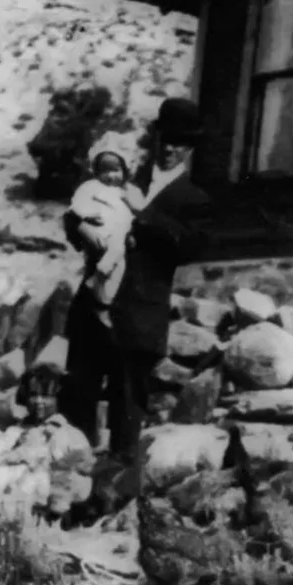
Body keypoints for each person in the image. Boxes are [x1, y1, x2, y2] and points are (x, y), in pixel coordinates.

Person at [59, 96, 210, 497]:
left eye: (180, 142)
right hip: (93, 309)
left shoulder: (193, 198)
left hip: (139, 319)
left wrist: (144, 215)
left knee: (127, 419)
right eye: (165, 137)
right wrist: (79, 230)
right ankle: (66, 495)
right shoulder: (125, 174)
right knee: (77, 403)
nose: (169, 147)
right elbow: (80, 204)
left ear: (190, 147)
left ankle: (110, 504)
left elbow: (187, 248)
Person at [68, 149, 146, 307]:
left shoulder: (131, 191)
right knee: (113, 253)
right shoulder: (91, 186)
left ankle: (104, 295)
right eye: (105, 171)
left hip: (121, 234)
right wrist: (85, 216)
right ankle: (99, 279)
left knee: (119, 264)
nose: (110, 176)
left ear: (125, 170)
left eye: (115, 170)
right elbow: (76, 204)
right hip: (99, 229)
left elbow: (141, 209)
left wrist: (130, 202)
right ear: (96, 171)